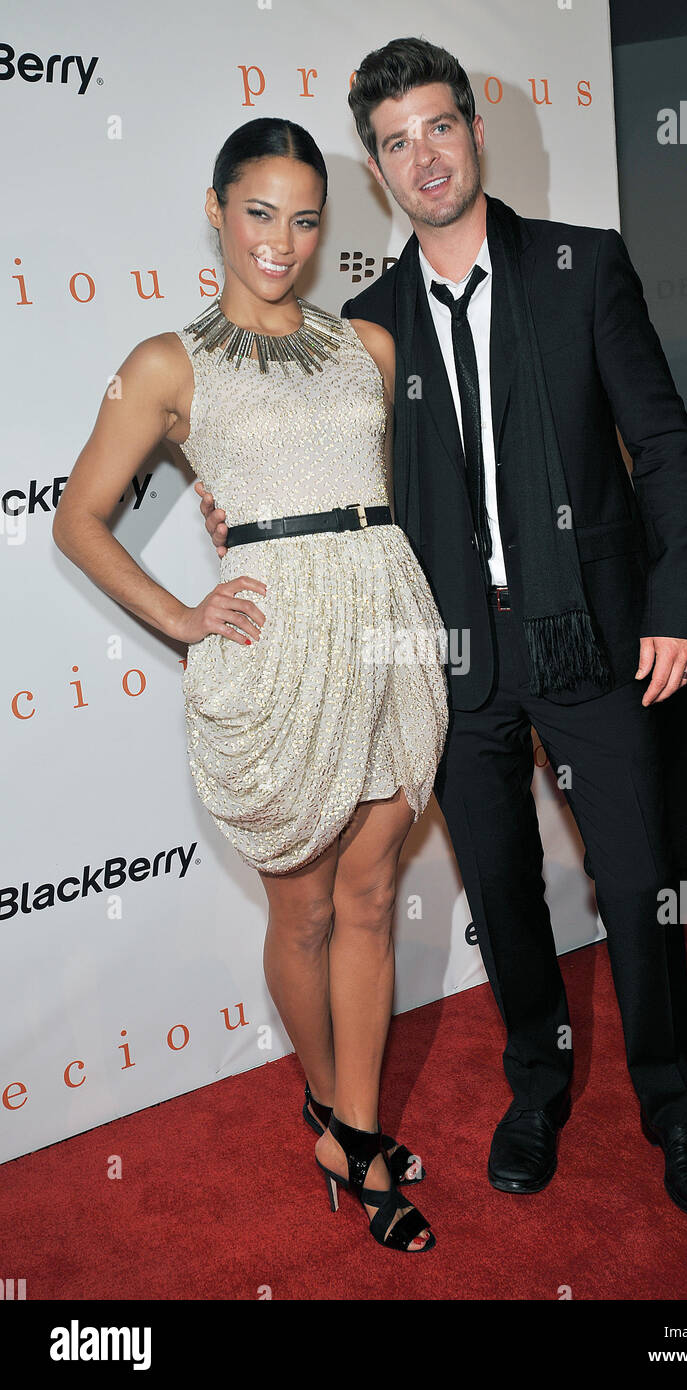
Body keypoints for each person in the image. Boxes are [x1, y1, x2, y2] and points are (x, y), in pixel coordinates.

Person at [199, 37, 687, 1220]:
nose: (422, 156)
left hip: (594, 637)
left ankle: (673, 1109)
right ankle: (535, 1085)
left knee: (640, 880)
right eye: (394, 142)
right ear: (377, 165)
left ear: (474, 131)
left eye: (438, 127)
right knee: (499, 890)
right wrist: (233, 505)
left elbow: (660, 447)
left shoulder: (579, 268)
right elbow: (334, 484)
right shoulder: (362, 326)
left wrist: (676, 610)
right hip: (446, 665)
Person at [52, 116, 450, 1253]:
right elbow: (78, 519)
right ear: (218, 211)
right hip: (277, 654)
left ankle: (358, 1134)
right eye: (259, 212)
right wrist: (183, 616)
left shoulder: (362, 347)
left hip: (386, 631)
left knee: (371, 899)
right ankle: (329, 1113)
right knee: (308, 906)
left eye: (306, 217)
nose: (282, 239)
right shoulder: (168, 362)